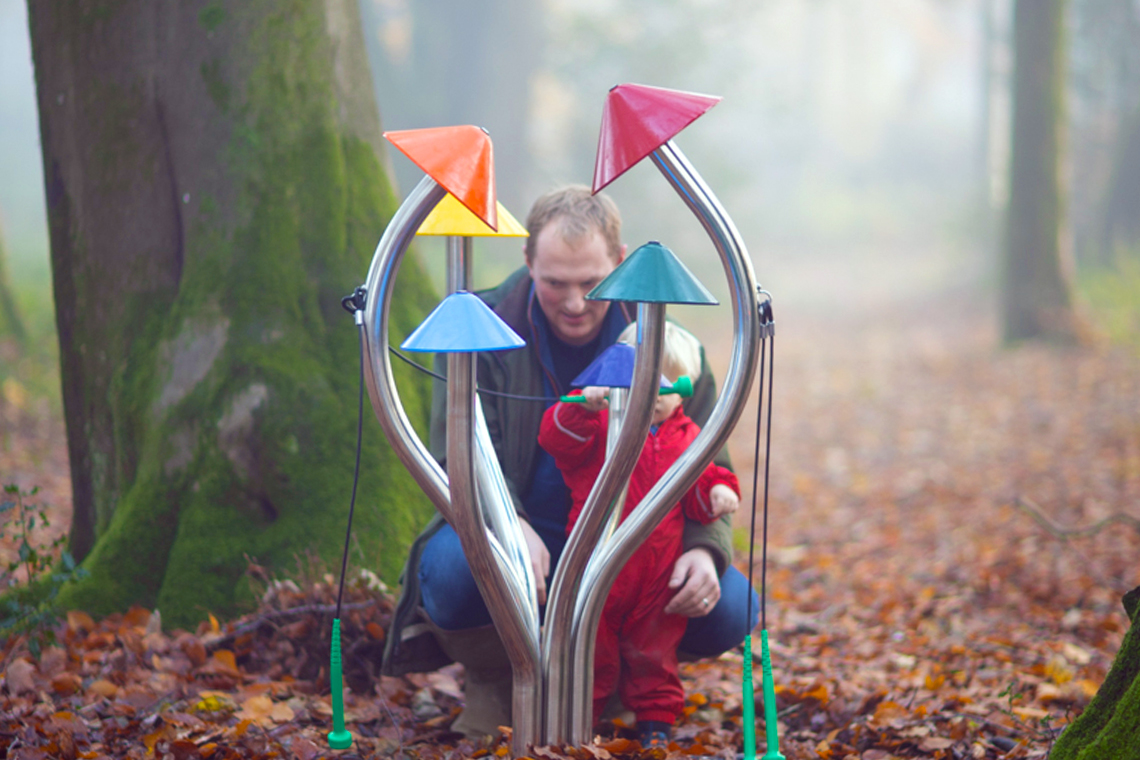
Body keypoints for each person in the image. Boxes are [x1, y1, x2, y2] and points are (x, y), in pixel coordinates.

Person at [381, 185, 759, 739]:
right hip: (520, 530)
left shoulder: (667, 340)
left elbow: (706, 459)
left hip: (629, 551)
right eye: (555, 282)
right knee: (455, 574)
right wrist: (512, 529)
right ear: (528, 261)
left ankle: (624, 676)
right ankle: (497, 679)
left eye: (592, 283)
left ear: (621, 261)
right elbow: (451, 459)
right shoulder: (475, 325)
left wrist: (706, 548)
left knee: (729, 606)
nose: (575, 302)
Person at [538, 322, 741, 746]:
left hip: (657, 569)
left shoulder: (689, 437)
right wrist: (583, 407)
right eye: (641, 384)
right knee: (587, 644)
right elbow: (556, 438)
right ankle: (578, 721)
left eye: (667, 388)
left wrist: (719, 491)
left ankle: (655, 722)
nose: (653, 397)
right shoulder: (599, 427)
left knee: (655, 649)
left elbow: (700, 492)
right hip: (596, 562)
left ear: (685, 390)